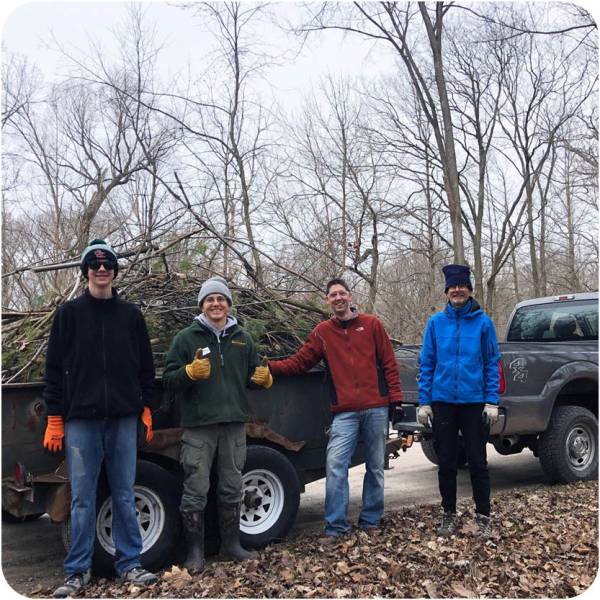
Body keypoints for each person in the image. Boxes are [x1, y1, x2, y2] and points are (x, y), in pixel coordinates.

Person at [43, 239, 158, 598]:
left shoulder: (130, 315)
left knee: (124, 494)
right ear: (86, 272)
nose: (102, 269)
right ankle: (77, 571)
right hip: (81, 422)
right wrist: (55, 417)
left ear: (115, 270)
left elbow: (146, 366)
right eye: (95, 265)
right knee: (82, 499)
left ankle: (130, 565)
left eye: (108, 263)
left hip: (123, 419)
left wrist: (146, 407)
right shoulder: (69, 315)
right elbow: (53, 369)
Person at [268, 278, 403, 538]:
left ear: (350, 296)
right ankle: (336, 526)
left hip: (376, 408)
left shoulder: (372, 324)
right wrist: (269, 367)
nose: (338, 298)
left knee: (375, 467)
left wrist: (395, 400)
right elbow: (300, 362)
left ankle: (371, 520)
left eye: (342, 293)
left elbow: (389, 363)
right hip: (345, 412)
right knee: (336, 466)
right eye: (333, 295)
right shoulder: (323, 332)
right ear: (327, 301)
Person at [162, 276, 272, 572]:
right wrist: (188, 373)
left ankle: (231, 545)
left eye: (220, 299)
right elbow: (168, 379)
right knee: (195, 487)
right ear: (202, 305)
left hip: (234, 425)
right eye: (209, 299)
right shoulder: (186, 338)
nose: (215, 304)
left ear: (228, 304)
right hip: (199, 427)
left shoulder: (242, 339)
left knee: (232, 485)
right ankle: (195, 553)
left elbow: (253, 375)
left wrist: (264, 380)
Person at [417, 264, 500, 538]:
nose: (457, 290)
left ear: (470, 290)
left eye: (462, 286)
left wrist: (492, 401)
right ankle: (448, 513)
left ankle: (483, 515)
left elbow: (492, 363)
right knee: (447, 462)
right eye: (452, 286)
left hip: (474, 402)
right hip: (443, 402)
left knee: (477, 462)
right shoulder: (435, 324)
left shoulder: (483, 323)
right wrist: (424, 402)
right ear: (446, 291)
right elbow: (427, 363)